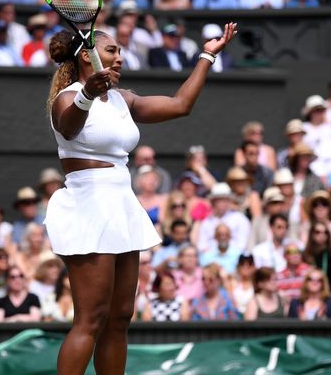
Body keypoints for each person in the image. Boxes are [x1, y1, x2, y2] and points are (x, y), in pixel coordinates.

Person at [43, 21, 237, 373]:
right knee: (91, 318)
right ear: (87, 56)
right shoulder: (68, 97)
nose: (120, 57)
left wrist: (208, 54)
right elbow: (69, 125)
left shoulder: (122, 98)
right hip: (89, 206)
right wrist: (87, 93)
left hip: (121, 204)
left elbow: (180, 105)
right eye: (111, 51)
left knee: (119, 318)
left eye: (119, 51)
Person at [193, 182, 251, 254]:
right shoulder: (207, 222)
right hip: (211, 259)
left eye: (225, 200)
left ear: (229, 201)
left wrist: (224, 254)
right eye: (219, 200)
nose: (222, 203)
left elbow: (242, 245)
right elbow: (201, 246)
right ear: (213, 202)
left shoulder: (240, 219)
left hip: (234, 258)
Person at [303, 221, 331, 291]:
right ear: (312, 234)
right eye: (317, 232)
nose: (321, 235)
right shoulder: (306, 255)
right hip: (309, 291)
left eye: (325, 232)